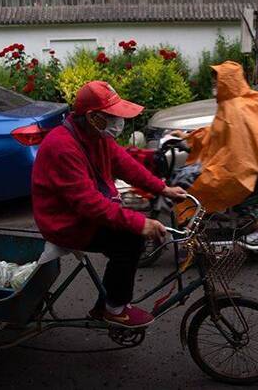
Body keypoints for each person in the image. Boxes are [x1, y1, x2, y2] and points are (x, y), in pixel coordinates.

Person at [32, 81, 186, 328]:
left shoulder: (96, 137)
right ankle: (114, 308)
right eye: (112, 117)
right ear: (93, 117)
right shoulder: (62, 146)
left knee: (130, 232)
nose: (118, 123)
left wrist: (162, 188)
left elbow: (125, 164)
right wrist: (140, 223)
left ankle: (107, 302)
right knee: (130, 240)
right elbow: (88, 204)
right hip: (66, 223)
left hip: (84, 213)